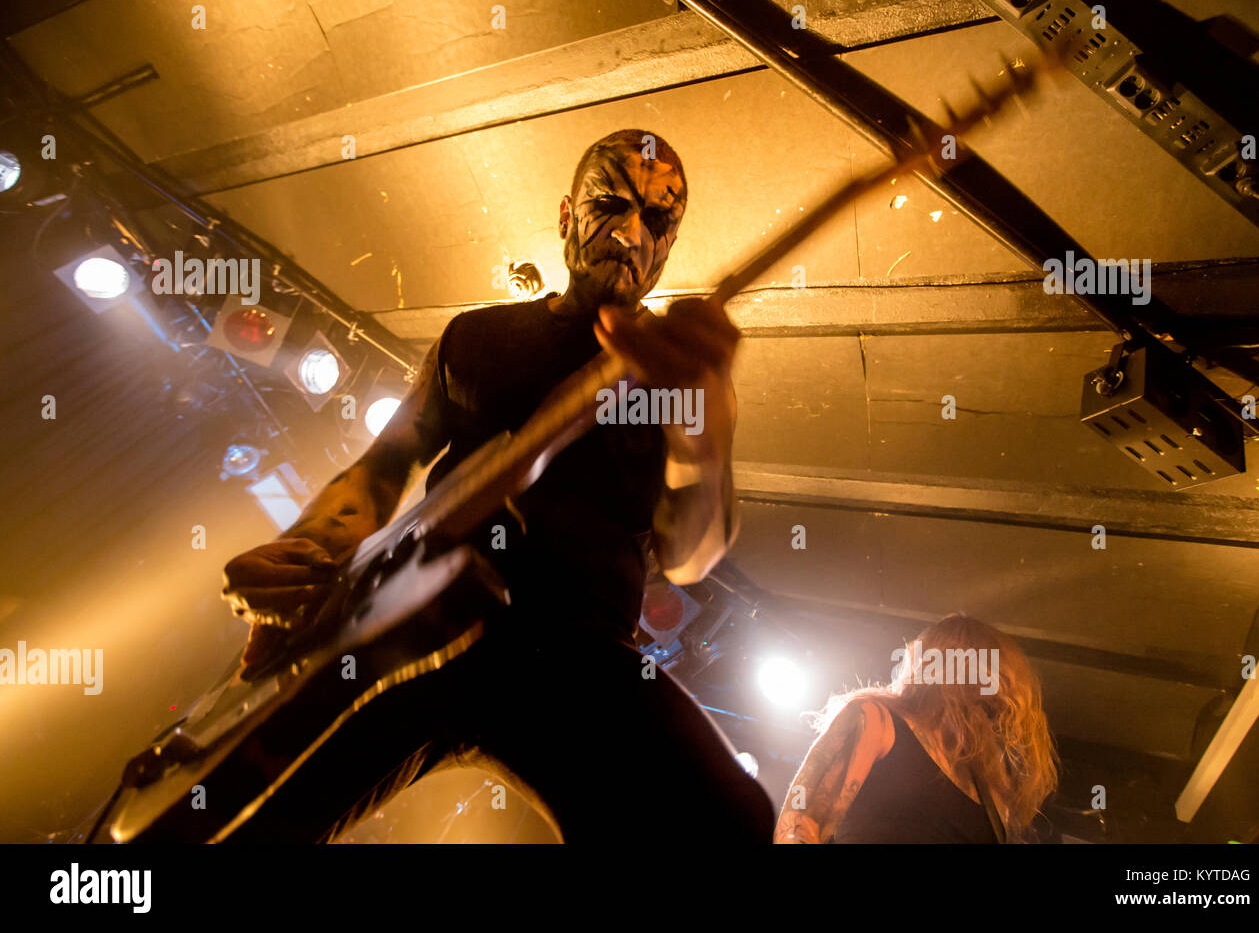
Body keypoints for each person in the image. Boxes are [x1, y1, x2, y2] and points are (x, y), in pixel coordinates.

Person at [219, 128, 775, 843]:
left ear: (669, 245)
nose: (634, 231)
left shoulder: (678, 373)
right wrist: (300, 555)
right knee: (233, 820)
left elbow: (690, 559)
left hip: (576, 656)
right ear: (568, 215)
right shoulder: (475, 337)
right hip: (411, 623)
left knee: (726, 821)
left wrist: (707, 423)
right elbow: (381, 469)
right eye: (613, 203)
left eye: (659, 218)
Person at [774, 614, 1058, 843]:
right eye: (986, 687)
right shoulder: (876, 721)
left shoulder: (989, 787)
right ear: (951, 674)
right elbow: (800, 824)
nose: (994, 706)